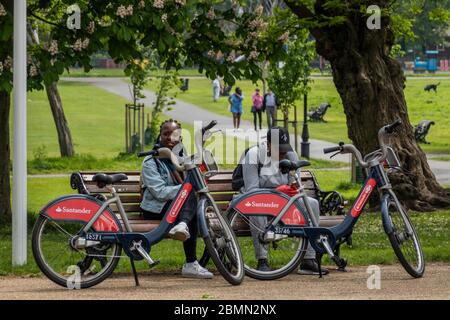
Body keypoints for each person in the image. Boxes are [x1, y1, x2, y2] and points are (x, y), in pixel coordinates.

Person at [240, 126, 329, 275]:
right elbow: (252, 191)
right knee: (257, 210)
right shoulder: (253, 155)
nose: (282, 153)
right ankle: (262, 260)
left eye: (284, 149)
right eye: (278, 149)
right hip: (259, 198)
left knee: (312, 204)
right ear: (267, 144)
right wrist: (276, 195)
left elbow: (294, 186)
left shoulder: (290, 155)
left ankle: (308, 259)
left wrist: (289, 189)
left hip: (284, 200)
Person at [140, 119, 213, 279]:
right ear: (160, 135)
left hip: (178, 206)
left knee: (190, 200)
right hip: (154, 209)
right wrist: (184, 190)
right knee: (189, 199)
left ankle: (183, 226)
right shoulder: (151, 161)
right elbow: (159, 192)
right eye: (165, 134)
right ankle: (191, 263)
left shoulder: (181, 156)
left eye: (174, 134)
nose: (169, 138)